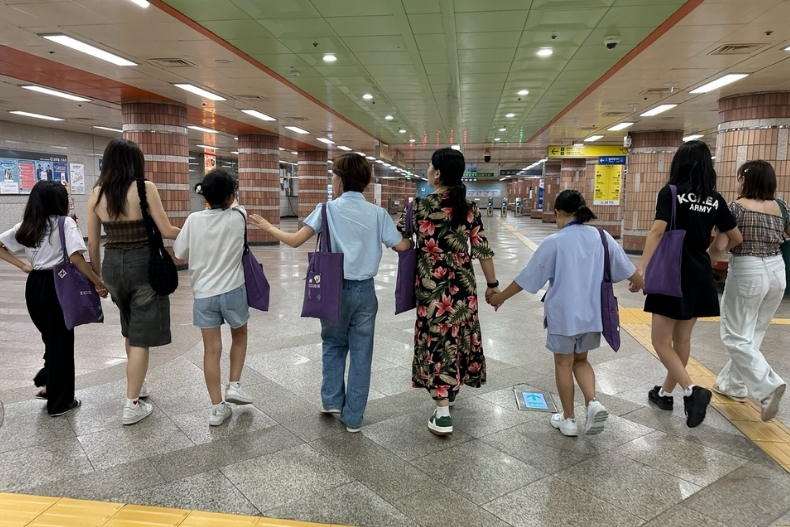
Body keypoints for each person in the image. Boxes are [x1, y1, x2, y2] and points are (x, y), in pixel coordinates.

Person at [249, 153, 411, 432]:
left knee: (333, 343)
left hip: (333, 288)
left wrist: (268, 227)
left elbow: (296, 241)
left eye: (333, 176)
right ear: (365, 183)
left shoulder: (327, 209)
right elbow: (402, 248)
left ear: (339, 180)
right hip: (364, 293)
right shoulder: (378, 213)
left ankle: (332, 400)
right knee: (361, 353)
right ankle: (354, 418)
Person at [488, 190, 643, 436]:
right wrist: (639, 284)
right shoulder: (602, 237)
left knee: (563, 363)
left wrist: (499, 298)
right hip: (593, 316)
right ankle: (593, 402)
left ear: (558, 213)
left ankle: (569, 419)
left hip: (563, 316)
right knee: (581, 361)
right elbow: (629, 270)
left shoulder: (555, 242)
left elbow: (528, 278)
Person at [631, 140, 742, 428]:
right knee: (681, 340)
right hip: (699, 273)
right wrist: (711, 254)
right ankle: (665, 393)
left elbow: (658, 230)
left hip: (672, 273)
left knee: (659, 340)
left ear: (679, 163)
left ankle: (691, 390)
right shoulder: (715, 199)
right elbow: (733, 237)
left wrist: (641, 268)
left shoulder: (670, 193)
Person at [403, 147, 499, 437]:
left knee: (436, 340)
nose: (427, 172)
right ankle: (451, 388)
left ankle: (442, 411)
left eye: (430, 168)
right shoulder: (469, 208)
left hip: (432, 287)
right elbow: (482, 249)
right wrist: (493, 287)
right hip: (463, 286)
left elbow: (401, 242)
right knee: (457, 336)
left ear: (438, 173)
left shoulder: (419, 207)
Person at [87, 138, 180, 425]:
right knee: (140, 336)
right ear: (134, 162)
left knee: (129, 328)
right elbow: (166, 229)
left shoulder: (96, 194)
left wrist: (97, 278)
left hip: (113, 265)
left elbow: (92, 243)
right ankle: (131, 405)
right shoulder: (144, 188)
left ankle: (135, 385)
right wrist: (197, 228)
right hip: (143, 264)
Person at [0, 181, 108, 416]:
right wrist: (98, 282)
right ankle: (60, 403)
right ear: (59, 201)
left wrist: (22, 266)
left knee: (51, 338)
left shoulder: (27, 224)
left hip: (35, 285)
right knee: (60, 342)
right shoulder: (65, 222)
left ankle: (48, 384)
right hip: (58, 285)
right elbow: (76, 257)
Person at [708, 160, 789, 421]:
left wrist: (705, 260)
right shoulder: (782, 207)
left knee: (735, 335)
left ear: (745, 178)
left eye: (738, 176)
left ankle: (767, 386)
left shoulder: (735, 208)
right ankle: (733, 385)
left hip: (748, 270)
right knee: (752, 332)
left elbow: (720, 244)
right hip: (777, 270)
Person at [173, 169, 253, 426]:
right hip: (233, 290)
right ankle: (234, 385)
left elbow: (179, 250)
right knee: (239, 335)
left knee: (211, 350)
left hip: (204, 296)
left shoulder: (194, 220)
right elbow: (236, 204)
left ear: (204, 196)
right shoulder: (239, 216)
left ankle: (218, 408)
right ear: (231, 195)